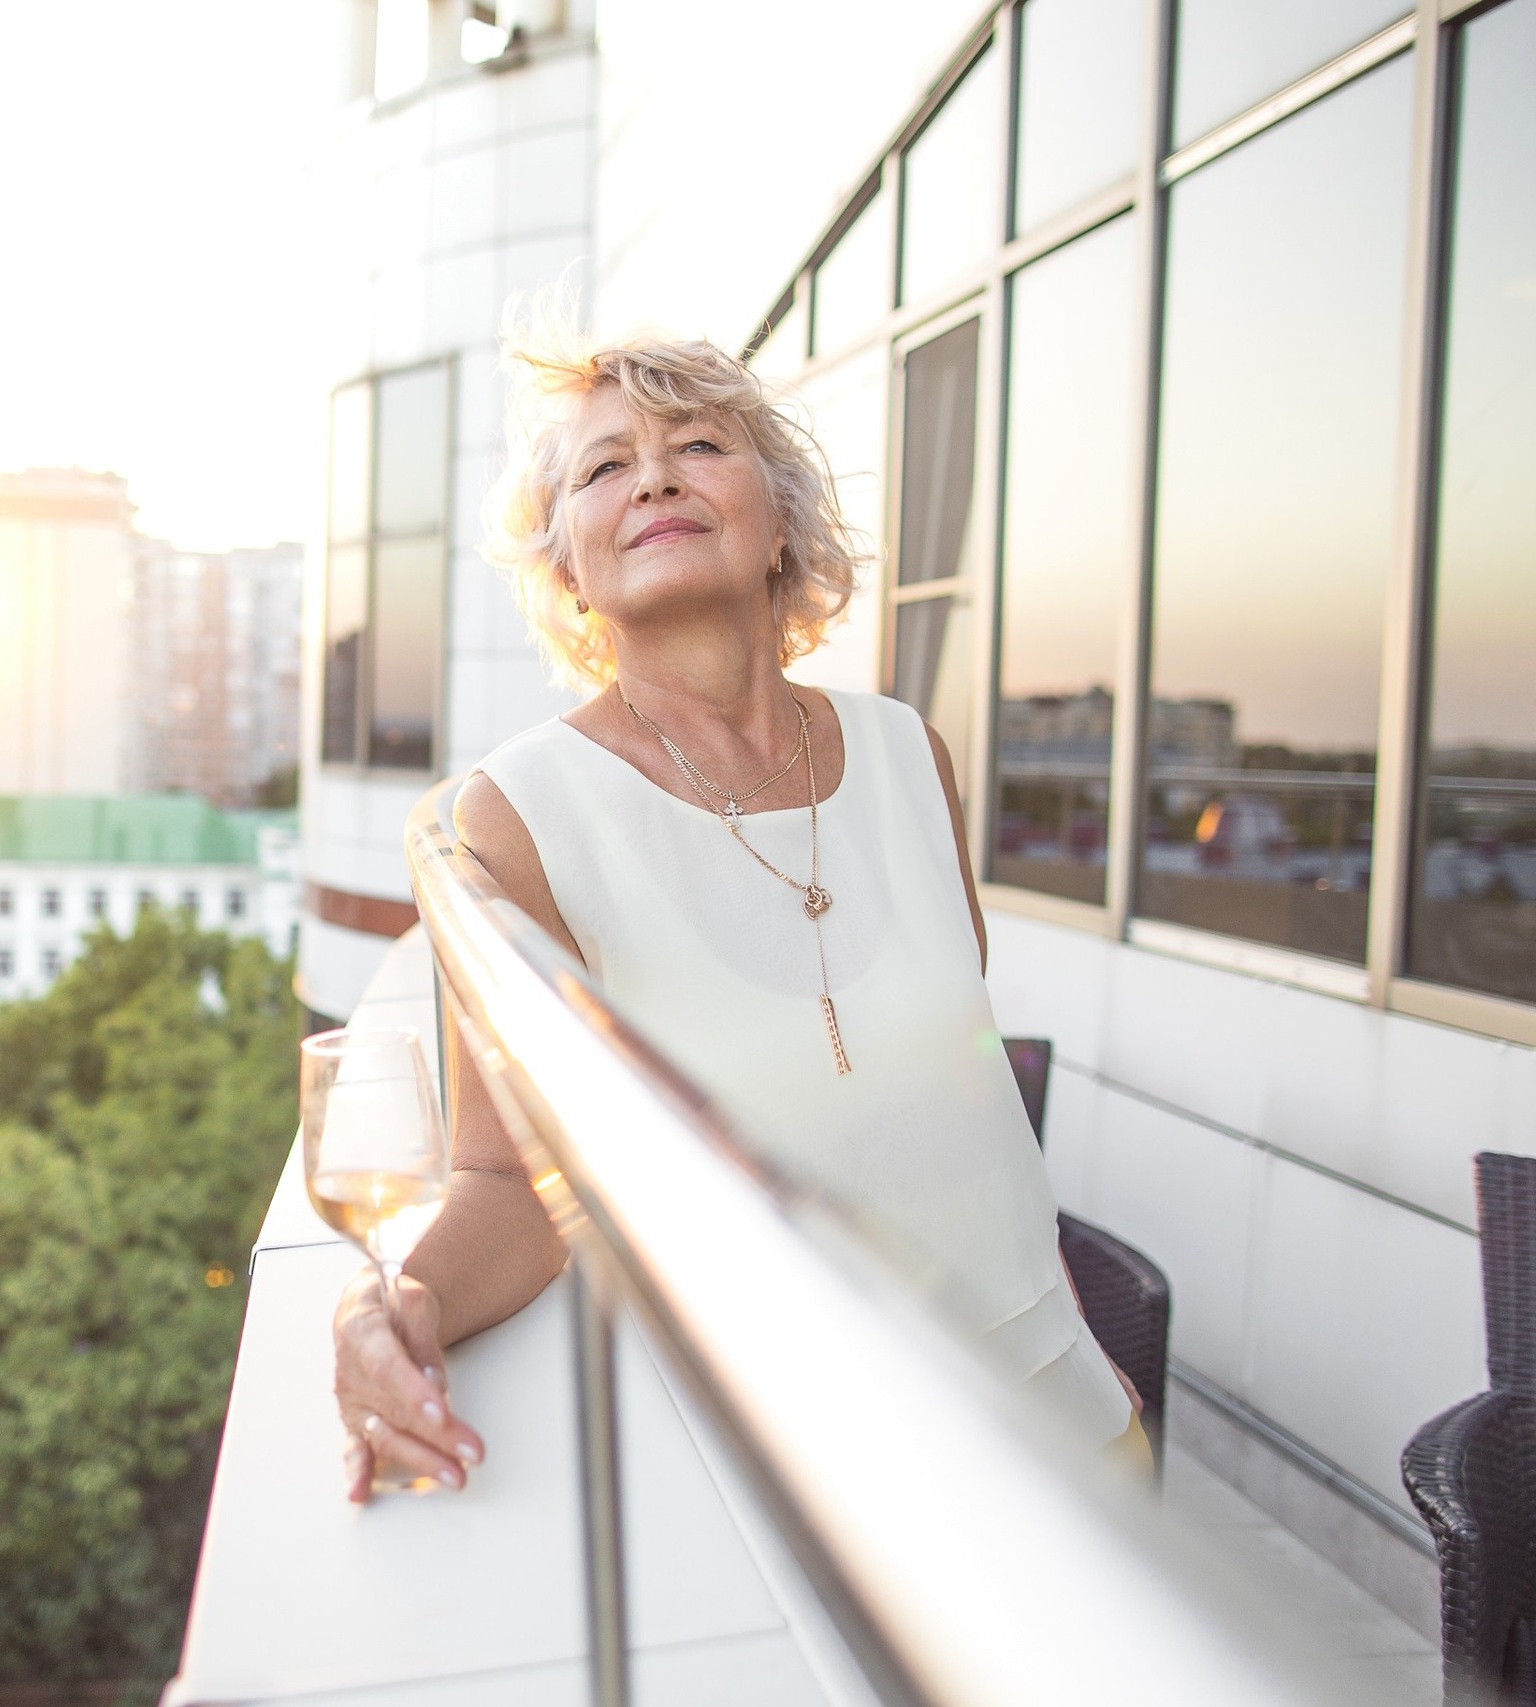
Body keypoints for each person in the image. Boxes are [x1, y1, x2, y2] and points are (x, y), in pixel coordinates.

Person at [331, 326, 1148, 1501]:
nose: (654, 479)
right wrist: (397, 1300)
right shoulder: (516, 814)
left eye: (699, 446)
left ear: (779, 523)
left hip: (1067, 1432)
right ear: (568, 569)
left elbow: (965, 1104)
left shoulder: (910, 752)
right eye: (605, 467)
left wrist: (1076, 1335)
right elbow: (513, 1186)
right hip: (799, 1483)